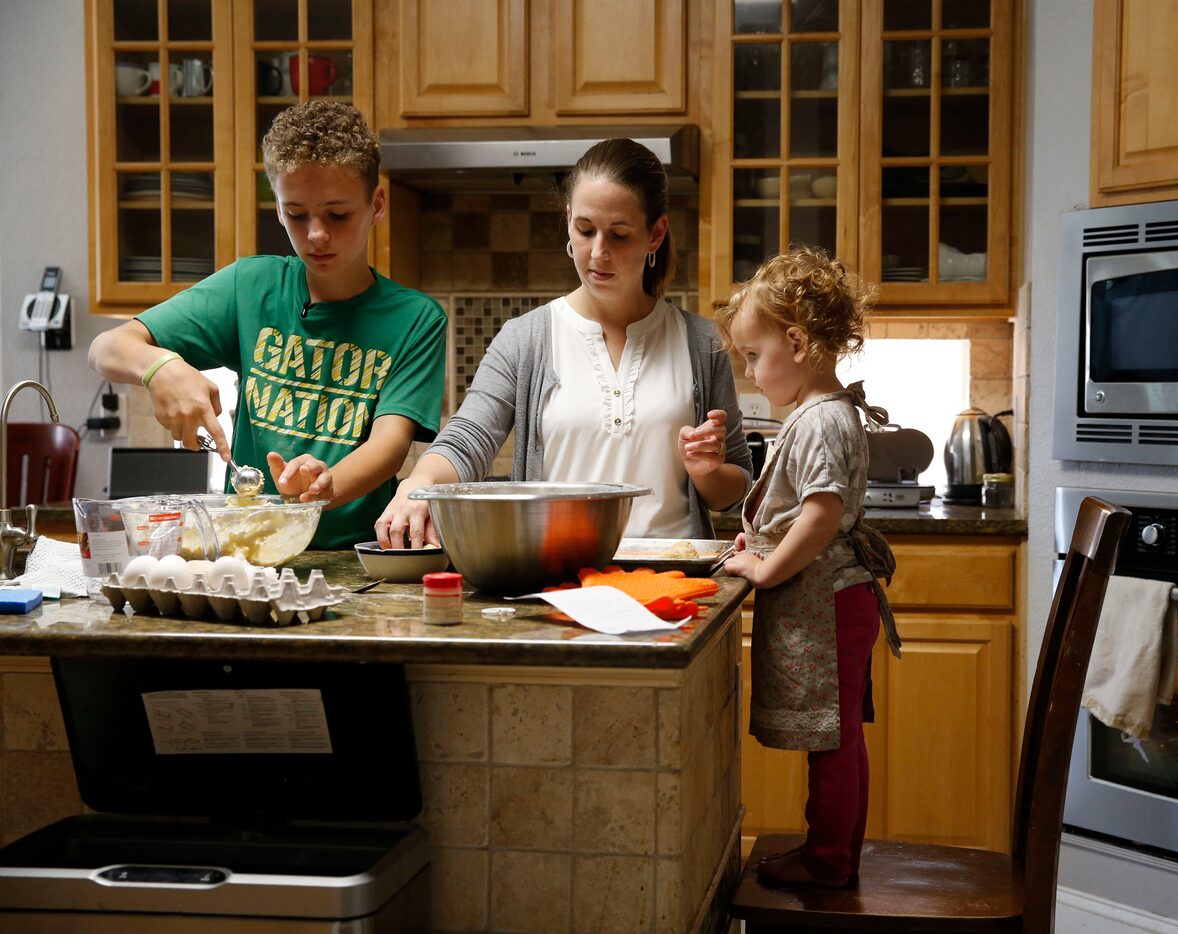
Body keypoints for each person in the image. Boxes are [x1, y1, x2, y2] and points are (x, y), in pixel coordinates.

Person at [88, 101, 446, 550]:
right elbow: (107, 347)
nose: (316, 234)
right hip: (246, 551)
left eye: (337, 215)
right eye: (296, 214)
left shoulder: (414, 319)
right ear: (277, 208)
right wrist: (158, 366)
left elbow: (389, 446)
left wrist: (321, 487)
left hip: (356, 558)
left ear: (375, 205)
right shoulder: (250, 286)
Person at [375, 137, 751, 549]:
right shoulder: (526, 339)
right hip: (557, 578)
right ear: (569, 218)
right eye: (585, 230)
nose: (598, 253)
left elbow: (733, 488)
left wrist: (706, 472)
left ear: (656, 234)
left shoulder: (700, 342)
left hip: (674, 580)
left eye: (620, 235)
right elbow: (469, 438)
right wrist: (419, 483)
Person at [715, 246, 901, 888]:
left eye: (753, 356)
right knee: (841, 738)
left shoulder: (821, 419)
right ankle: (836, 854)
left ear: (796, 343)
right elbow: (798, 512)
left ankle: (828, 863)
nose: (750, 371)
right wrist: (756, 548)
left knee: (832, 743)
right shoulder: (822, 413)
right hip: (834, 604)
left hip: (827, 604)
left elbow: (820, 515)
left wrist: (764, 571)